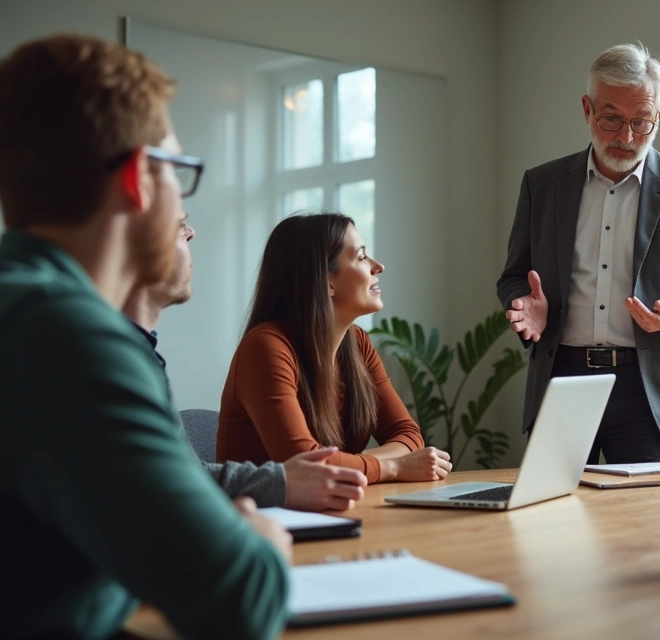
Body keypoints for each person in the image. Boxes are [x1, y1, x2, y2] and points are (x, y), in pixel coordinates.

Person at [0, 34, 289, 638]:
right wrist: (257, 536)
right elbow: (241, 598)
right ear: (138, 177)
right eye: (180, 173)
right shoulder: (67, 337)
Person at [497, 43, 660, 464]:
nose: (627, 137)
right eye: (611, 119)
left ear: (658, 115)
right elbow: (514, 275)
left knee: (649, 528)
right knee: (556, 525)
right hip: (563, 380)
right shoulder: (543, 184)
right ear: (587, 109)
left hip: (653, 393)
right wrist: (526, 307)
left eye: (641, 122)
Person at [123, 216, 369, 511]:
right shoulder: (112, 362)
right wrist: (394, 466)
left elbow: (172, 477)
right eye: (178, 223)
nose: (192, 232)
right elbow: (169, 481)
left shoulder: (138, 356)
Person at [217, 213, 452, 484]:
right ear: (326, 281)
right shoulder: (265, 347)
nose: (379, 266)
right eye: (362, 257)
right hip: (260, 520)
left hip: (329, 512)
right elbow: (305, 461)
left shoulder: (358, 344)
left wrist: (353, 466)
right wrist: (393, 468)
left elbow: (408, 433)